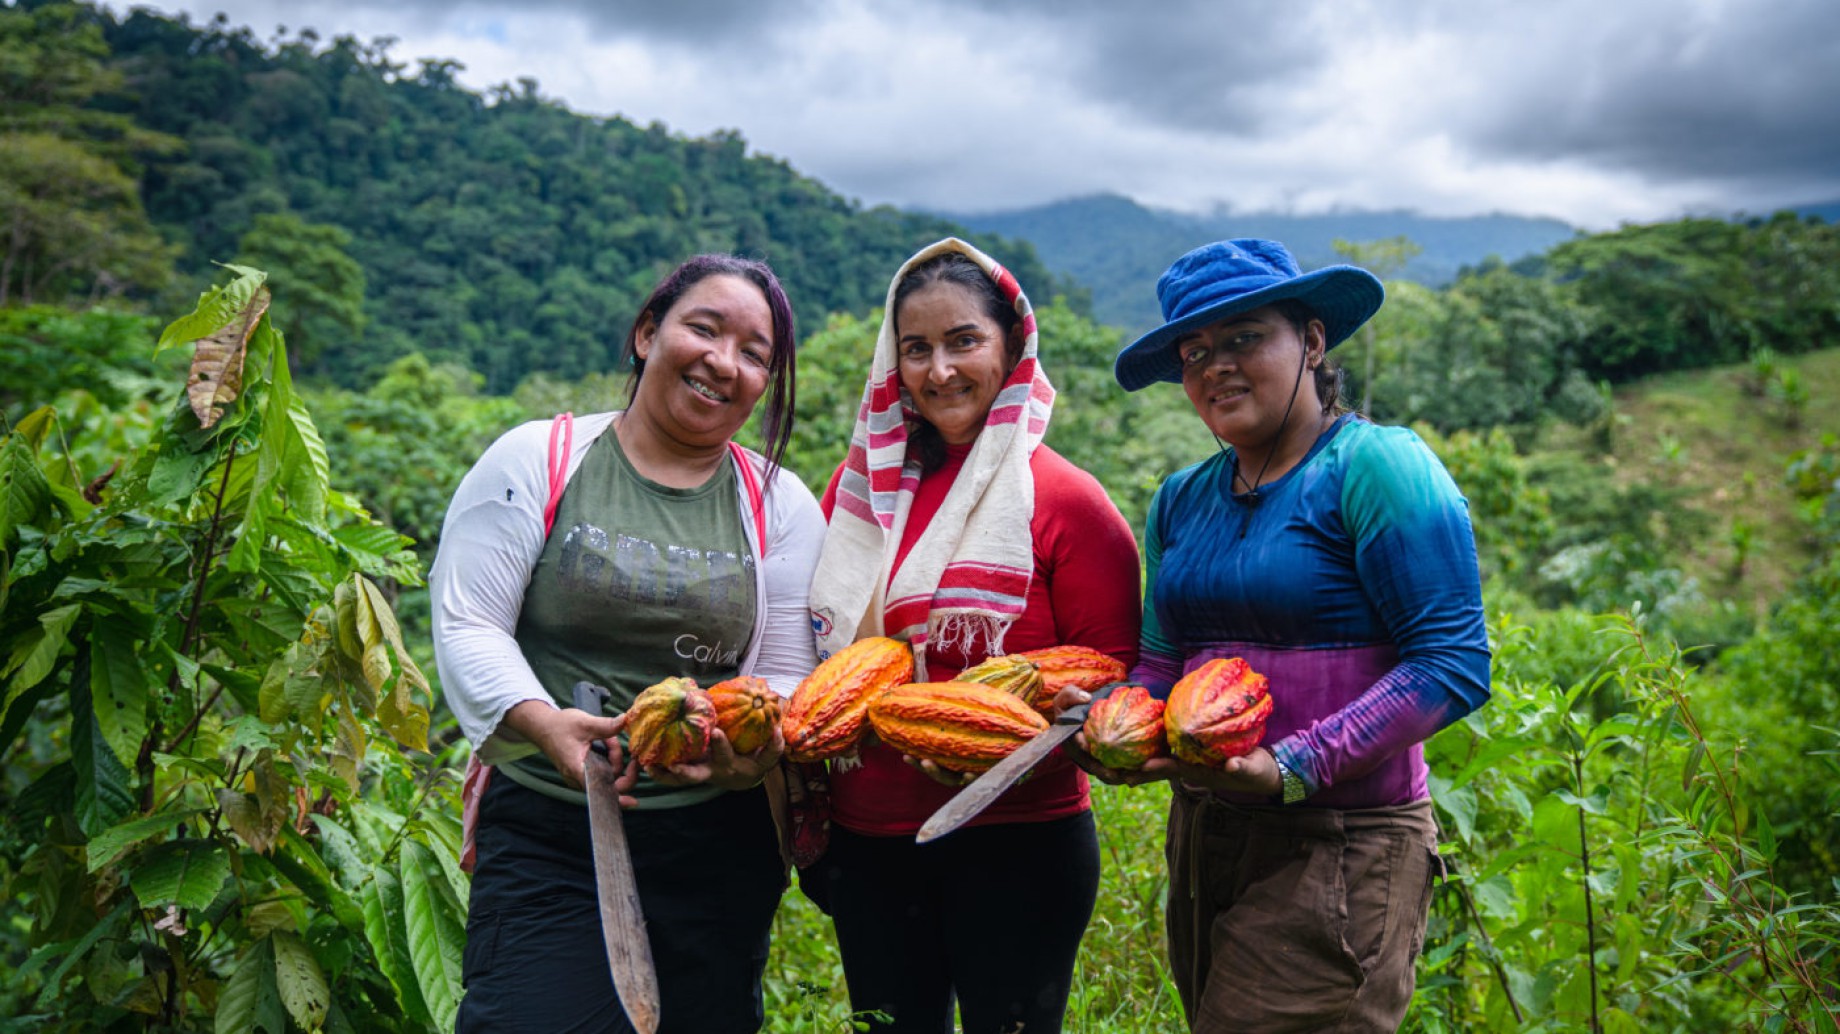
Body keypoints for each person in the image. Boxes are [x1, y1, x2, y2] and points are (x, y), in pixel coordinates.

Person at [1078, 238, 1492, 1032]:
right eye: (1195, 352)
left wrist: (1292, 767)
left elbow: (1452, 662)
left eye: (1243, 339)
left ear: (1310, 341)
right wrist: (1110, 721)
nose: (1215, 367)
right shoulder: (1180, 500)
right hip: (1207, 832)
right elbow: (1163, 662)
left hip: (1341, 843)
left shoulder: (1376, 467)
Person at [431, 254, 825, 1033]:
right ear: (649, 333)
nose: (725, 363)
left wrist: (747, 753)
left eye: (755, 354)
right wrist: (544, 726)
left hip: (716, 842)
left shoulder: (779, 503)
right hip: (553, 830)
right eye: (704, 331)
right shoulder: (537, 459)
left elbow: (784, 672)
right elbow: (467, 619)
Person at [803, 238, 1142, 1033]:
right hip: (871, 838)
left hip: (1019, 843)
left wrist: (991, 735)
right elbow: (817, 645)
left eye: (964, 341)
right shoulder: (859, 495)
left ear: (1012, 346)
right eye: (915, 349)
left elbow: (1117, 676)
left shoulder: (1066, 502)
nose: (938, 370)